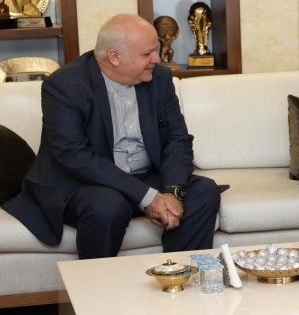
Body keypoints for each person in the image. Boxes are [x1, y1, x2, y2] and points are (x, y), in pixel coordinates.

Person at [2, 14, 221, 259]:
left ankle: (179, 273)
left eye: (156, 50)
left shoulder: (160, 78)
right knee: (107, 206)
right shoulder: (64, 85)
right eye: (147, 53)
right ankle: (99, 284)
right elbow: (74, 155)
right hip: (84, 182)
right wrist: (148, 197)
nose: (157, 59)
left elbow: (177, 139)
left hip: (145, 176)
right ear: (115, 57)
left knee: (204, 192)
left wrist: (171, 192)